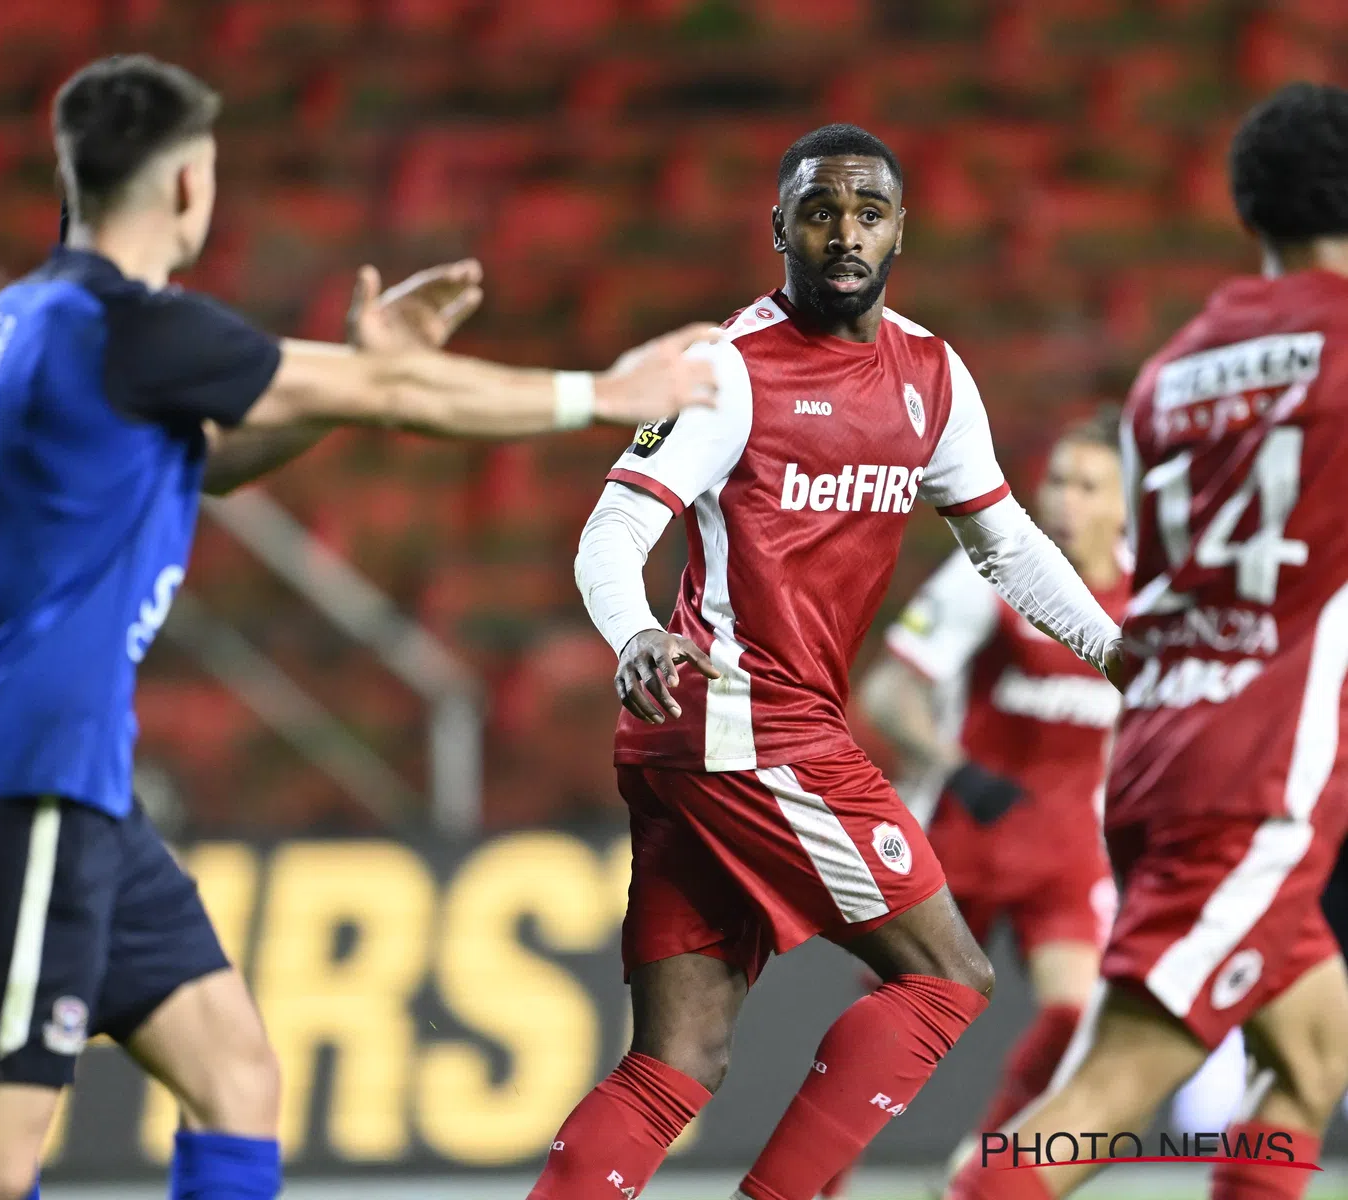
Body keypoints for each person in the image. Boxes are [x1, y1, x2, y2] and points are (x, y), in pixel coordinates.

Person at [0, 53, 719, 1200]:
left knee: (237, 1077)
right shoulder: (128, 327)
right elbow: (387, 399)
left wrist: (371, 374)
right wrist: (608, 394)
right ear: (188, 185)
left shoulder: (40, 316)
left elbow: (220, 460)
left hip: (77, 782)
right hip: (22, 776)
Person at [536, 122, 1127, 1200]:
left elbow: (1005, 541)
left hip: (710, 740)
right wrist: (635, 635)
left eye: (868, 212)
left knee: (677, 1060)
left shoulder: (931, 375)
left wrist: (1113, 651)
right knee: (949, 980)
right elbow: (610, 534)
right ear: (779, 229)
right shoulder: (731, 367)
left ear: (903, 229)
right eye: (819, 212)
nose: (843, 234)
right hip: (742, 717)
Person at [949, 80, 1348, 1200]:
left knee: (1314, 1060)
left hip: (1157, 747)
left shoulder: (1177, 368)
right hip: (1257, 776)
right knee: (1099, 1104)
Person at [802, 411, 1131, 1200]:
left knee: (1073, 1018)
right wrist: (955, 767)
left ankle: (984, 1173)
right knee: (896, 1034)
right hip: (962, 838)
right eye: (1057, 479)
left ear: (1128, 507)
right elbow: (886, 690)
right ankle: (815, 1182)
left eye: (1088, 486)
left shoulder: (1146, 596)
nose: (1064, 500)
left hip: (1067, 852)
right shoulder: (998, 571)